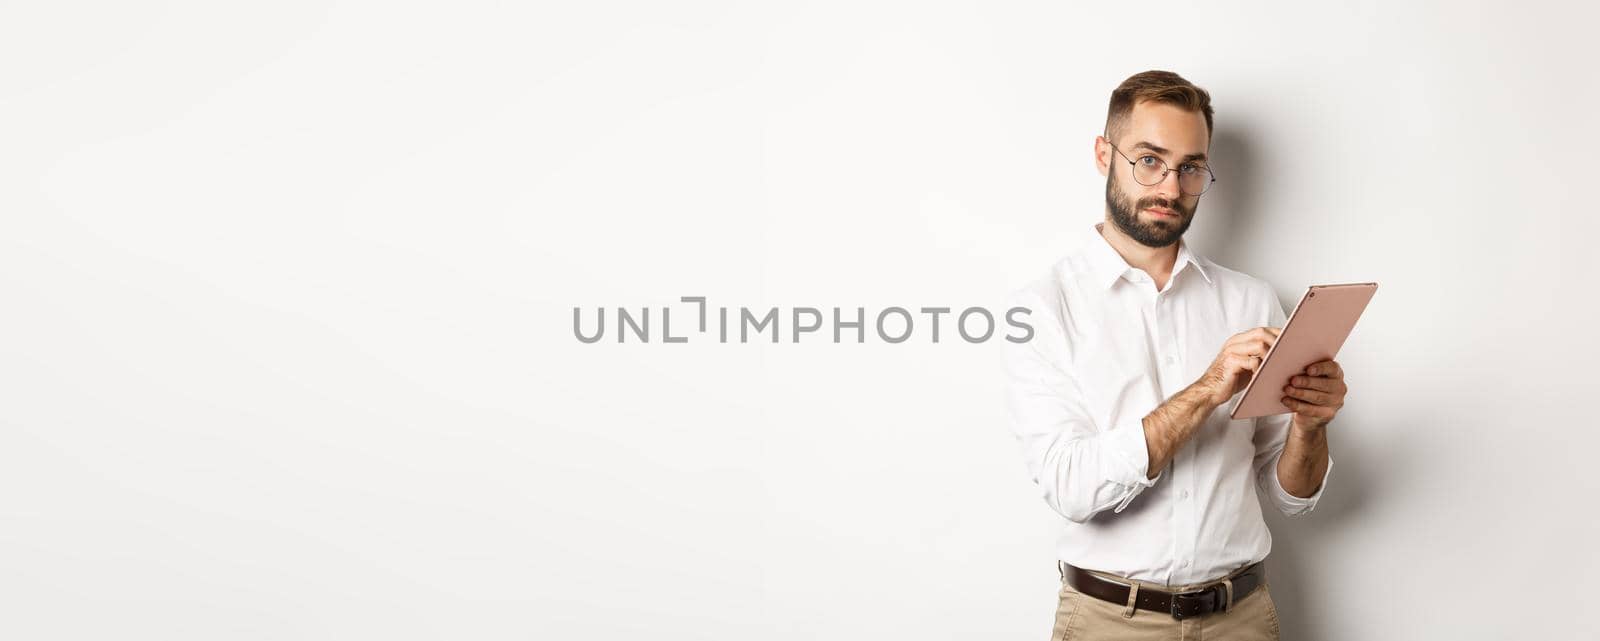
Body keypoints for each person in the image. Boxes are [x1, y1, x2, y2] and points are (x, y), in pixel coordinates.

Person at [1004, 70, 1344, 640]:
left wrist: (1311, 425)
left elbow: (1292, 498)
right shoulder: (1043, 307)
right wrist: (1207, 389)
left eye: (1190, 167)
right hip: (1109, 623)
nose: (1169, 187)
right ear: (1102, 154)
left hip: (1241, 618)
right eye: (1148, 160)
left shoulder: (1252, 299)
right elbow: (1070, 487)